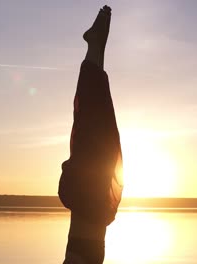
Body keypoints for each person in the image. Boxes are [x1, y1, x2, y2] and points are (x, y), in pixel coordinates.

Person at [58, 5, 123, 264]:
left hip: (88, 208)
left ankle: (96, 49)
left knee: (96, 139)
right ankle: (96, 48)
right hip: (90, 229)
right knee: (101, 144)